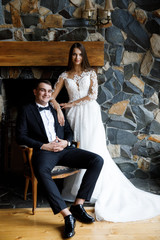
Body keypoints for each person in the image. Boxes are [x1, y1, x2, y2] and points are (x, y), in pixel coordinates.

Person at [51, 42, 160, 222]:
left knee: (93, 148)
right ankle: (76, 188)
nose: (77, 57)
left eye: (79, 54)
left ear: (83, 56)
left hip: (89, 113)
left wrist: (70, 103)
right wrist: (58, 108)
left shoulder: (90, 72)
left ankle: (94, 188)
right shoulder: (64, 75)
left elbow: (92, 96)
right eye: (74, 54)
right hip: (74, 116)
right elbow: (52, 97)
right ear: (70, 56)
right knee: (78, 148)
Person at [16, 80, 104, 238]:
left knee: (97, 160)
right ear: (35, 92)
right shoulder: (26, 110)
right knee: (41, 170)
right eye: (42, 90)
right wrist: (43, 146)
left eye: (49, 92)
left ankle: (78, 205)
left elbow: (68, 131)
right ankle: (67, 216)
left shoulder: (57, 110)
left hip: (64, 149)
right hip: (44, 151)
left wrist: (67, 142)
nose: (46, 94)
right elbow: (20, 136)